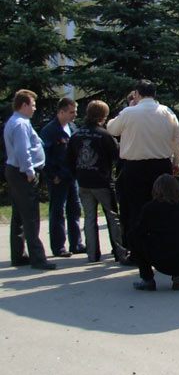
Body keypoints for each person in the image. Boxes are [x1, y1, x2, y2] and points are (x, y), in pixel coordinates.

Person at [106, 80, 179, 259]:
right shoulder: (166, 112)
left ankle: (138, 253)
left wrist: (126, 110)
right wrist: (176, 161)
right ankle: (161, 248)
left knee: (136, 210)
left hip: (135, 167)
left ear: (137, 94)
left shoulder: (129, 112)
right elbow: (178, 140)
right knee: (163, 208)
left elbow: (112, 128)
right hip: (161, 165)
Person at [67, 100, 128, 263]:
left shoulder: (77, 135)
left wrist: (78, 175)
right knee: (112, 216)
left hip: (84, 181)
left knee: (89, 217)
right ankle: (119, 251)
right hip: (102, 181)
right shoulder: (104, 135)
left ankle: (92, 254)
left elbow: (70, 159)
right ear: (103, 116)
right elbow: (116, 156)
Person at [3, 90, 56, 270]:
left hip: (16, 171)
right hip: (22, 172)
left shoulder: (19, 122)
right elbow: (22, 150)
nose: (34, 109)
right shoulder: (20, 124)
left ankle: (19, 255)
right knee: (31, 216)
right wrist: (29, 171)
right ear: (24, 105)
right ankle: (37, 257)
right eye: (32, 105)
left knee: (19, 214)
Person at [132, 173, 179, 291]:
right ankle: (178, 276)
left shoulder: (150, 209)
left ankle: (147, 279)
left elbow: (138, 232)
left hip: (161, 258)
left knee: (137, 239)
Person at [39, 96, 85, 257]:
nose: (75, 115)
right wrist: (52, 176)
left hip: (72, 176)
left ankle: (76, 243)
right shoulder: (50, 131)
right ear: (61, 112)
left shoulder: (72, 127)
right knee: (58, 211)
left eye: (75, 112)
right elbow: (44, 156)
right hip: (58, 177)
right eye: (71, 112)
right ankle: (59, 247)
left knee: (75, 209)